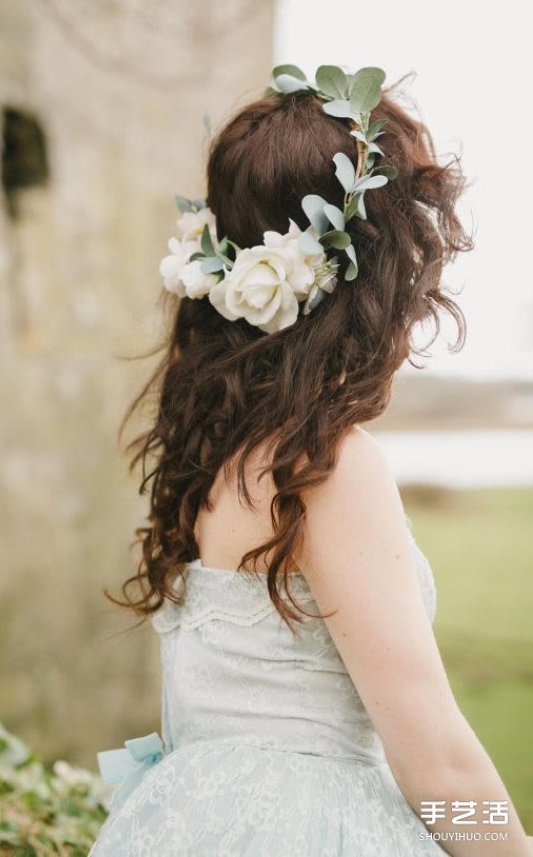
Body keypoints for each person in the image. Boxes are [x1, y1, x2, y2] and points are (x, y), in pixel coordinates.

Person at [88, 65, 533, 856]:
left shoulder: (215, 449)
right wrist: (510, 843)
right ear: (376, 271)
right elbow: (438, 768)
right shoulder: (325, 466)